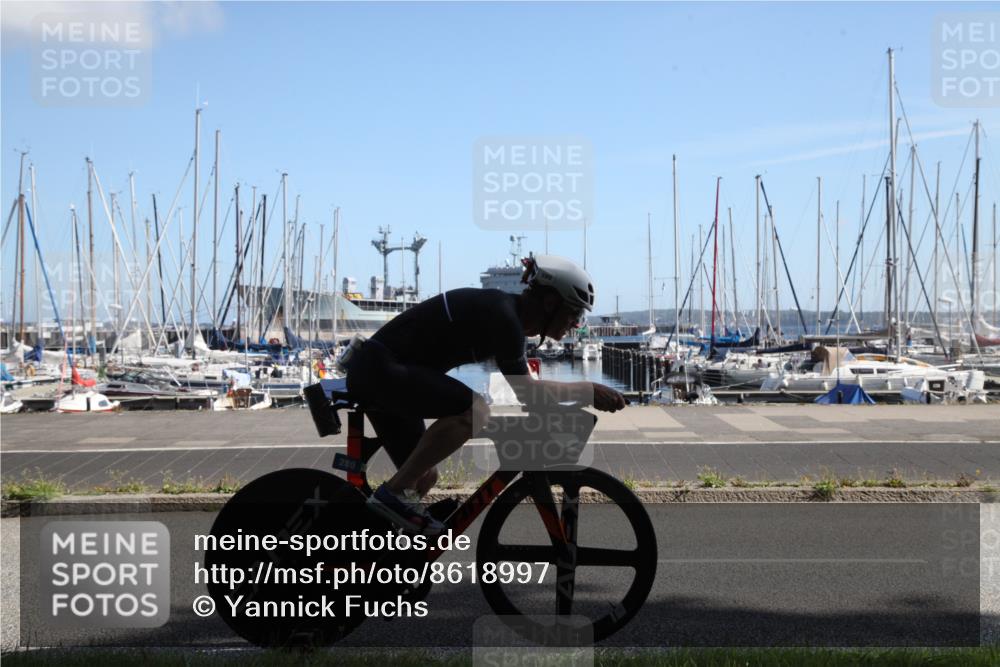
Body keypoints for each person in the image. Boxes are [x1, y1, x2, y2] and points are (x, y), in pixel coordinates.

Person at [344, 254, 627, 535]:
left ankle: (383, 565)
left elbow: (528, 392)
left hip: (379, 371)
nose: (576, 324)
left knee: (422, 478)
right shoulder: (504, 317)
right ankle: (392, 494)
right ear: (551, 303)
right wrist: (589, 392)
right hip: (380, 371)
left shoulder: (505, 313)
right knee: (475, 411)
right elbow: (527, 391)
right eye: (575, 314)